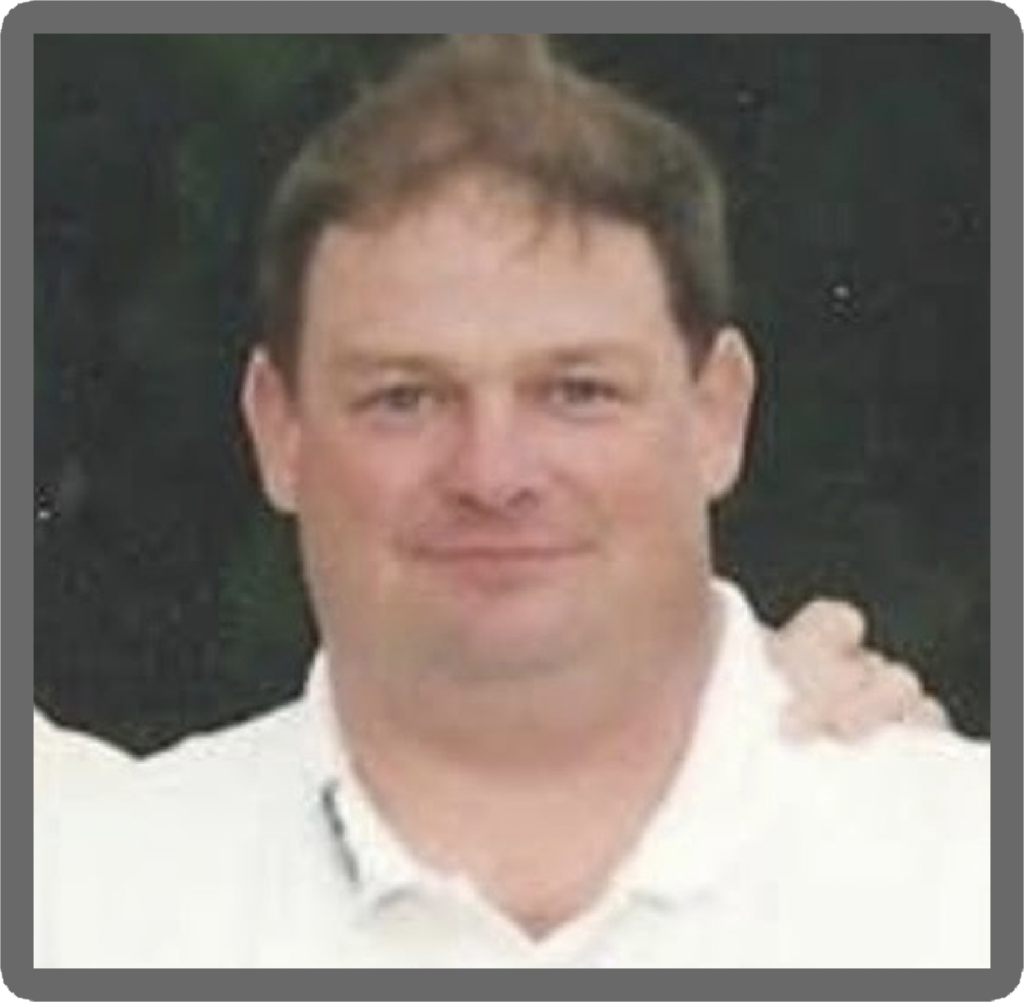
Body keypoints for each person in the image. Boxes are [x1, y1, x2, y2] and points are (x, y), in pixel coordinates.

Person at [35, 35, 987, 968]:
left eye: (578, 391)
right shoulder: (79, 901)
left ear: (717, 412)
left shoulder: (966, 878)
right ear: (278, 428)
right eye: (404, 398)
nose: (492, 475)